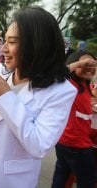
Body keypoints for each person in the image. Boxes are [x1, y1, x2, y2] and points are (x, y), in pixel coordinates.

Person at [0, 6, 77, 188]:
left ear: (36, 45)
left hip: (9, 179)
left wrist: (6, 96)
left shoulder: (61, 91)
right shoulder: (3, 71)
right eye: (5, 40)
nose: (3, 49)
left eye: (11, 42)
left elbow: (39, 145)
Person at [51, 50, 97, 188]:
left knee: (62, 176)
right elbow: (57, 74)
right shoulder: (69, 85)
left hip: (68, 142)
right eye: (84, 64)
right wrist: (81, 63)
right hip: (76, 145)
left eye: (92, 64)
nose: (88, 67)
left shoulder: (85, 86)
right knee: (88, 180)